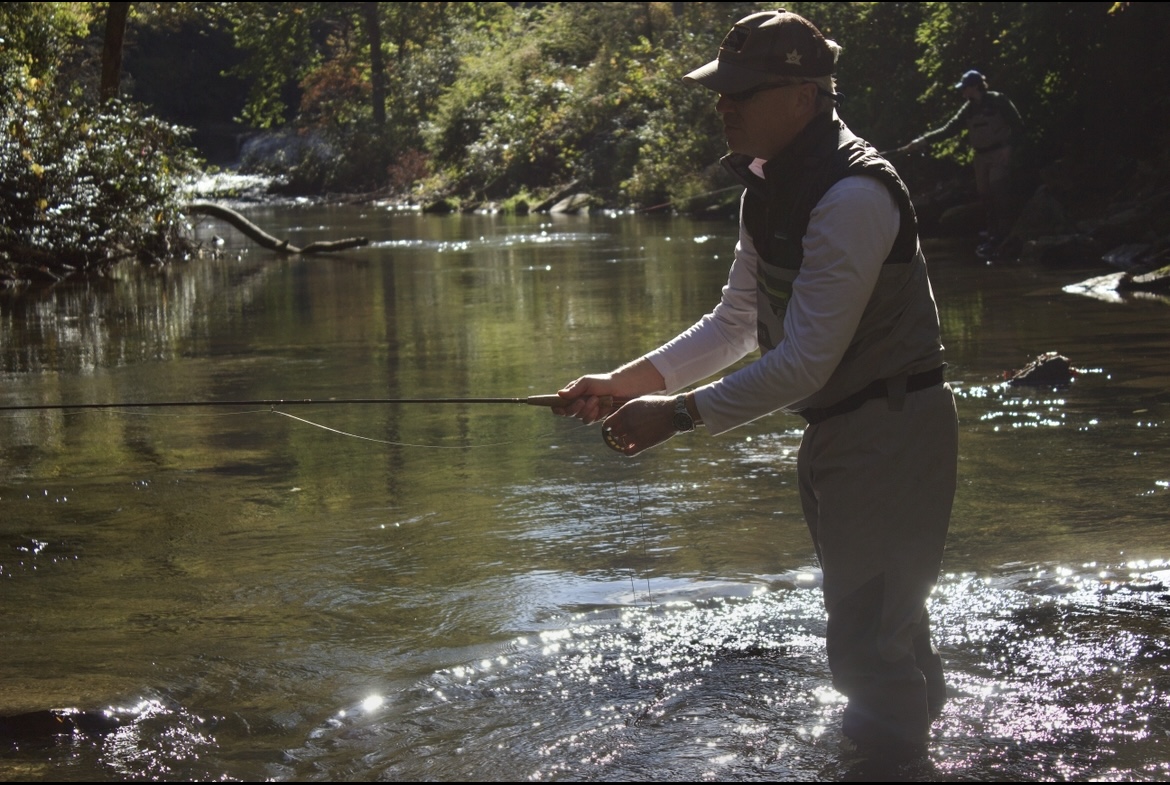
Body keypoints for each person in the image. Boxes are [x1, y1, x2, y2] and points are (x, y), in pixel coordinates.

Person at [554, 9, 958, 763]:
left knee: (868, 639)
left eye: (742, 91)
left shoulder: (853, 195)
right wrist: (623, 382)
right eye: (721, 91)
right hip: (842, 430)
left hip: (891, 430)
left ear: (804, 97)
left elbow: (805, 361)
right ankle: (921, 756)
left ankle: (891, 762)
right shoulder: (768, 188)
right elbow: (737, 322)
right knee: (885, 625)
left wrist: (678, 414)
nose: (724, 105)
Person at [907, 69, 1026, 259]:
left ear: (975, 86)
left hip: (999, 153)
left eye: (965, 88)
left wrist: (1009, 148)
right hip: (981, 158)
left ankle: (1006, 234)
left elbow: (1018, 125)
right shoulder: (968, 109)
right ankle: (993, 234)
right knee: (985, 194)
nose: (962, 92)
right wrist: (922, 141)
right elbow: (949, 129)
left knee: (999, 190)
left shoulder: (998, 101)